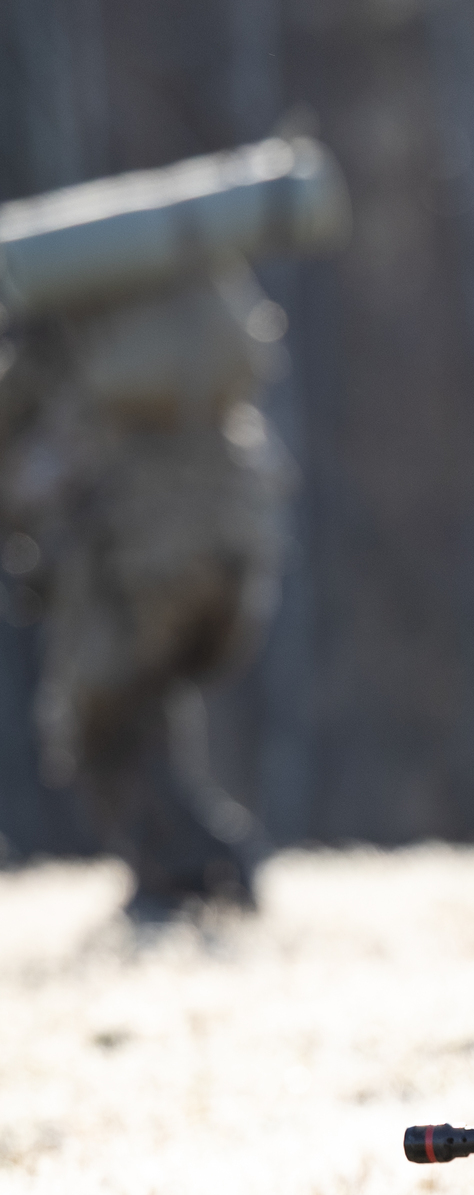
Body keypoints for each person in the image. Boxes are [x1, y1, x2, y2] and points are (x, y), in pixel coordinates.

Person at [1, 211, 294, 917]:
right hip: (233, 559)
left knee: (94, 724)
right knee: (146, 710)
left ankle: (195, 872)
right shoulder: (173, 360)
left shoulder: (64, 360)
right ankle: (188, 873)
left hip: (139, 571)